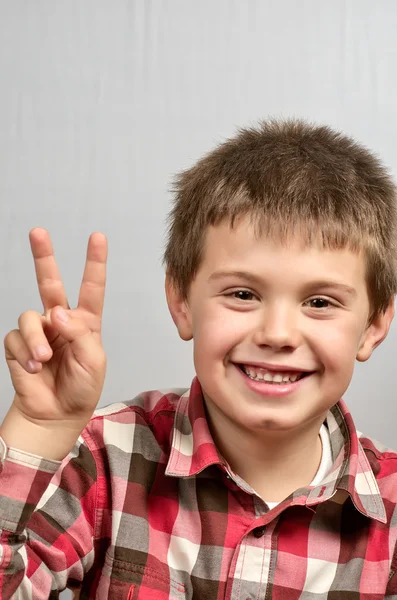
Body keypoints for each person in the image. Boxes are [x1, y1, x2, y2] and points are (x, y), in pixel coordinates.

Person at [1, 118, 397, 599]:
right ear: (182, 301)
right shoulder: (104, 463)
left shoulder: (390, 516)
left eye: (319, 302)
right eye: (243, 293)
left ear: (374, 324)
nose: (276, 334)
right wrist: (37, 433)